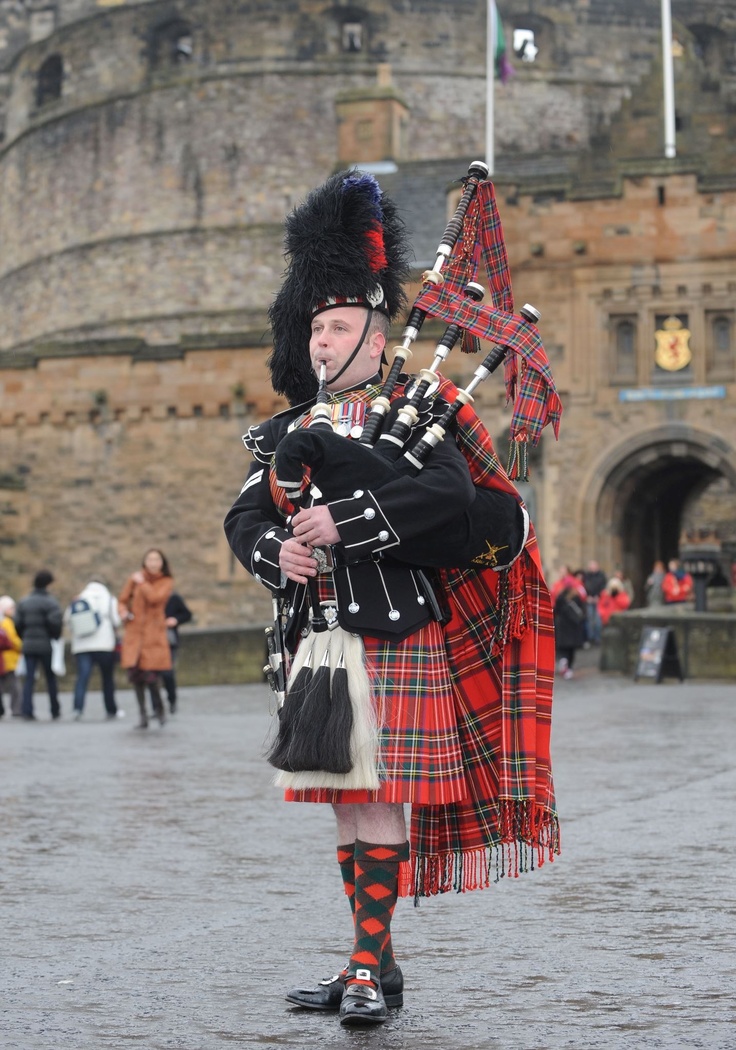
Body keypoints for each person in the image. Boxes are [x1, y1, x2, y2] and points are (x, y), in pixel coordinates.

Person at [224, 170, 561, 1026]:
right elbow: (242, 517)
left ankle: (366, 971)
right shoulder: (285, 431)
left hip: (395, 630)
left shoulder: (424, 408)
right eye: (316, 331)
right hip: (316, 639)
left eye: (339, 328)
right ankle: (375, 959)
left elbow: (458, 500)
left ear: (379, 338)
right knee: (347, 797)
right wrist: (276, 552)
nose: (323, 344)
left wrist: (349, 521)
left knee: (372, 795)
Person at [118, 549, 174, 729]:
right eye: (150, 559)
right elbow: (122, 600)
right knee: (136, 678)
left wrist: (142, 583)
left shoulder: (165, 581)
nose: (153, 563)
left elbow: (155, 598)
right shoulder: (133, 579)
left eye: (156, 559)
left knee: (152, 676)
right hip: (135, 635)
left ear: (162, 563)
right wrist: (124, 613)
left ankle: (160, 709)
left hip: (153, 635)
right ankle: (143, 715)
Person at [65, 579, 123, 721]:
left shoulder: (79, 599)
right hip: (105, 645)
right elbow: (117, 621)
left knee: (82, 678)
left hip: (82, 646)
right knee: (107, 678)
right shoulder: (109, 599)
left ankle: (77, 709)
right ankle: (111, 709)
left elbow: (67, 621)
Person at [15, 570, 63, 721]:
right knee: (50, 678)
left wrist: (25, 636)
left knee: (29, 678)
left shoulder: (24, 602)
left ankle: (26, 710)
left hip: (28, 644)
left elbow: (17, 623)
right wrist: (53, 635)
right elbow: (55, 623)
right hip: (44, 644)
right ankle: (54, 709)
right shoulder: (50, 602)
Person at [161, 591, 193, 714]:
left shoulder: (173, 597)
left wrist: (175, 620)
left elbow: (187, 615)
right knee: (152, 676)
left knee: (168, 673)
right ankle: (156, 707)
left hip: (169, 641)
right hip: (151, 642)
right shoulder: (146, 596)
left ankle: (172, 700)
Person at [553, 583, 586, 679]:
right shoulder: (576, 600)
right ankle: (568, 668)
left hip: (562, 629)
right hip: (572, 630)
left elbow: (555, 611)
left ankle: (564, 664)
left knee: (563, 650)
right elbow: (582, 614)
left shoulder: (560, 600)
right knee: (571, 651)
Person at [0, 595, 23, 718]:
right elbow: (12, 639)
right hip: (8, 658)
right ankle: (16, 709)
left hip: (5, 658)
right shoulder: (7, 622)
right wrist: (22, 646)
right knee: (15, 686)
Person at [582, 559, 607, 645]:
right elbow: (583, 587)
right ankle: (590, 638)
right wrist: (587, 596)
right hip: (589, 599)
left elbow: (603, 587)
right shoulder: (586, 576)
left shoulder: (601, 576)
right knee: (589, 619)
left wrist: (599, 596)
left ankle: (597, 638)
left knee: (597, 620)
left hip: (598, 600)